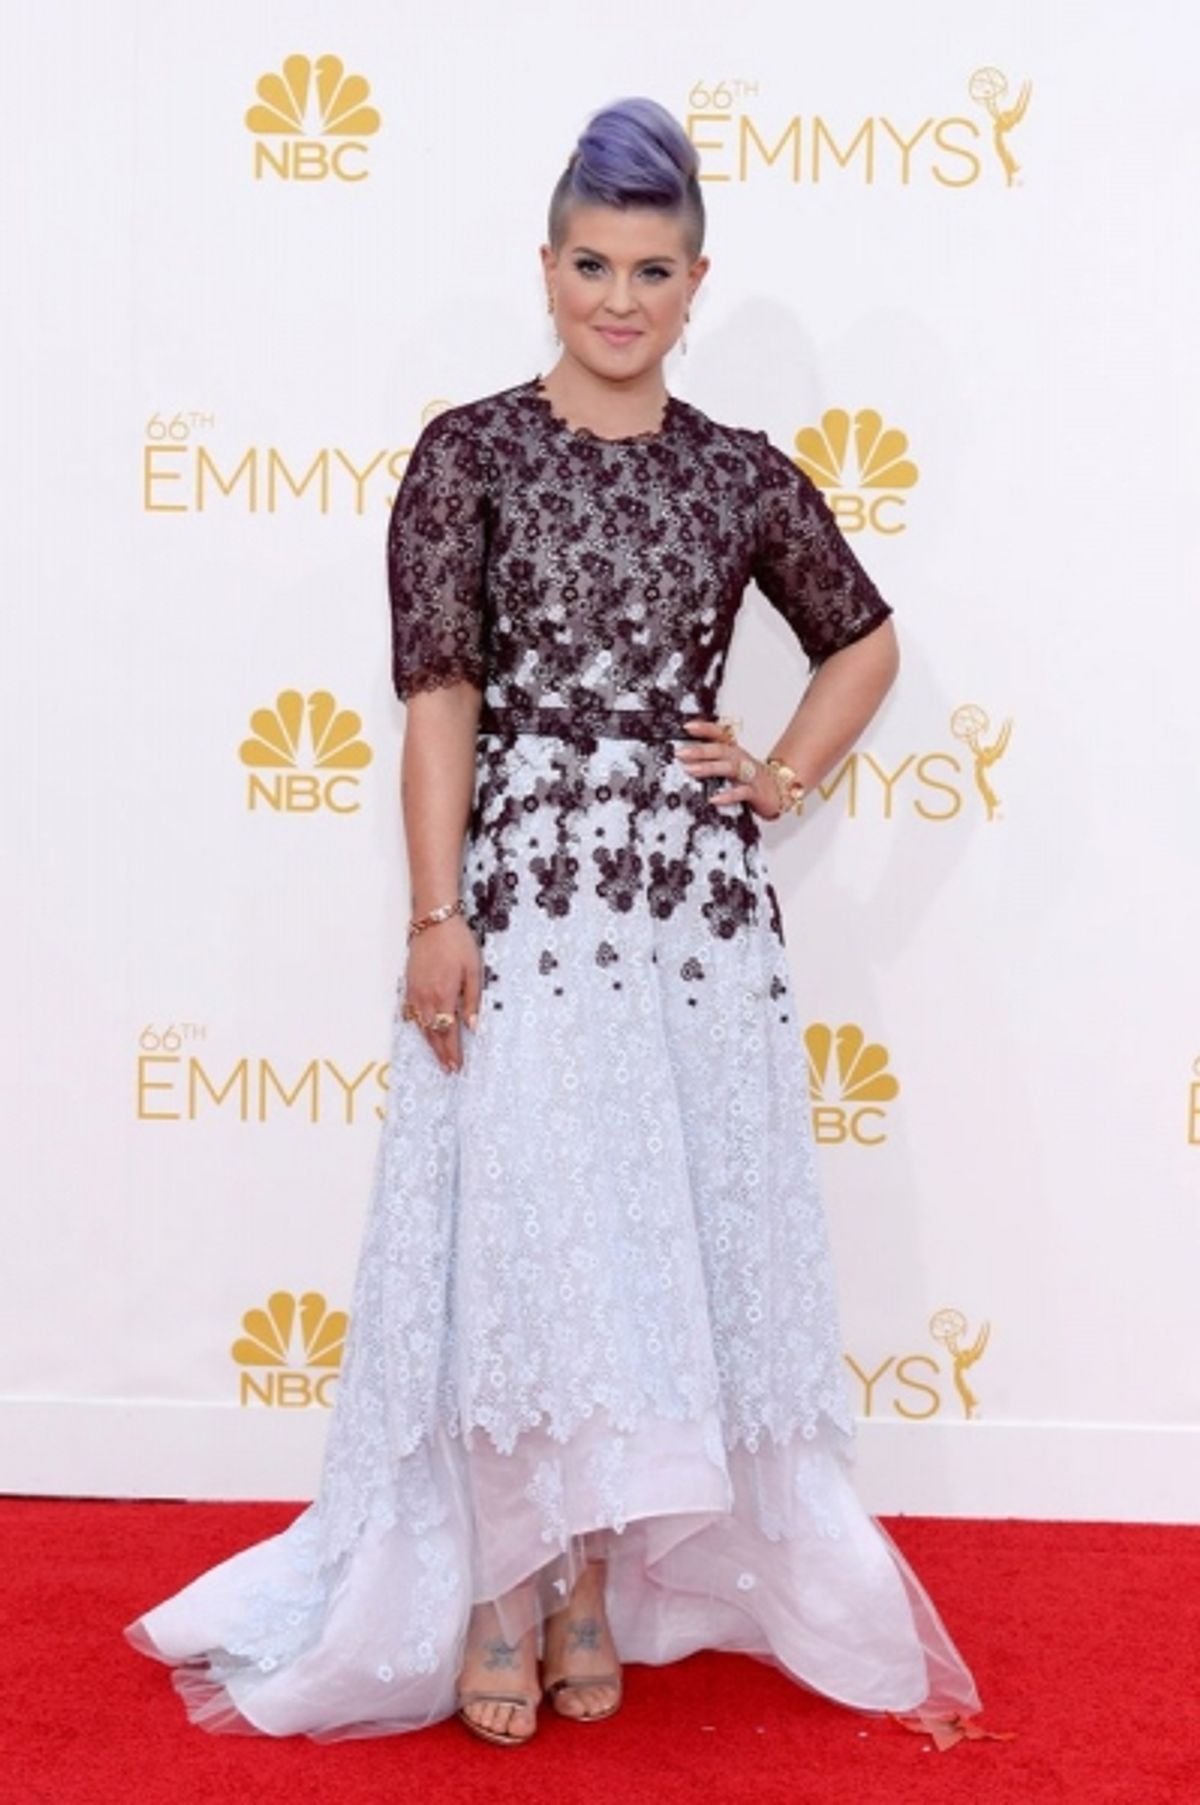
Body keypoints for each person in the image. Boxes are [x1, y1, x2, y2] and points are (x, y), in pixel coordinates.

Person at [124, 94, 983, 1750]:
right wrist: (437, 912)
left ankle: (591, 1580)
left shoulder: (741, 474)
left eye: (653, 268)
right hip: (523, 904)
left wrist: (782, 776)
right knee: (525, 1248)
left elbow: (863, 643)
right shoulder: (471, 454)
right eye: (593, 261)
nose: (619, 297)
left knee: (642, 1258)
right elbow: (437, 696)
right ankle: (498, 1590)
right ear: (547, 265)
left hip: (689, 927)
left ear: (694, 281)